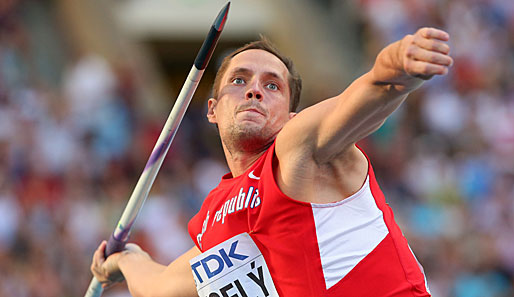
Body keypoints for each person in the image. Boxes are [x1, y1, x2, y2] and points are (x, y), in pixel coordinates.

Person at [91, 27, 453, 296]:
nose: (253, 90)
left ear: (292, 115)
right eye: (239, 80)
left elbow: (366, 97)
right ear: (212, 111)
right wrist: (125, 261)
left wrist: (395, 70)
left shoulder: (299, 151)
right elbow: (164, 288)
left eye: (272, 86)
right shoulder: (215, 218)